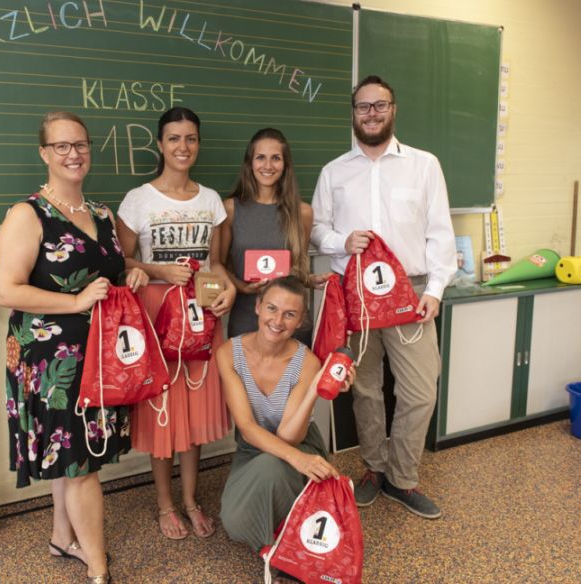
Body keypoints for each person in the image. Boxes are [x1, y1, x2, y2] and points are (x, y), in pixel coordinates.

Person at [0, 111, 149, 583]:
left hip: (99, 354)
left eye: (80, 144)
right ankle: (99, 567)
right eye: (61, 146)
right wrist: (76, 300)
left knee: (71, 456)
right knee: (79, 463)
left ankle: (63, 537)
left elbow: (119, 268)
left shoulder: (102, 213)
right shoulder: (27, 214)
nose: (73, 154)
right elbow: (7, 289)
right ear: (44, 153)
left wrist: (135, 272)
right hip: (50, 363)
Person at [311, 75, 456, 519]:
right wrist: (340, 241)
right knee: (367, 389)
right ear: (353, 114)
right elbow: (317, 229)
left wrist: (434, 290)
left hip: (409, 294)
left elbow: (440, 233)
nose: (371, 114)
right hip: (355, 296)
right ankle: (374, 470)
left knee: (419, 391)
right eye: (362, 107)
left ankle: (402, 478)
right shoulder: (334, 171)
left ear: (394, 109)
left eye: (379, 106)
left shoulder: (424, 165)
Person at [116, 107, 236, 540]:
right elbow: (122, 261)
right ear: (160, 144)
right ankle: (165, 505)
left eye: (190, 139)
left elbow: (217, 264)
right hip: (156, 317)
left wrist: (230, 292)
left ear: (198, 144)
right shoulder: (138, 199)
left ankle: (190, 500)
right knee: (162, 413)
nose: (182, 147)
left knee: (195, 412)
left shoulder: (210, 201)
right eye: (173, 139)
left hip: (201, 318)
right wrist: (160, 271)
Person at [217, 276, 353, 556]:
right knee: (234, 522)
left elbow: (289, 437)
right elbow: (246, 427)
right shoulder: (229, 353)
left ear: (301, 320)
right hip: (253, 448)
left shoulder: (307, 363)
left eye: (289, 314)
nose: (278, 321)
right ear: (258, 306)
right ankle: (287, 530)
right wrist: (298, 460)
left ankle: (283, 547)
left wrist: (314, 389)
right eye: (272, 309)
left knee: (272, 470)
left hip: (300, 445)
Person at [221, 128, 328, 346]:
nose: (268, 166)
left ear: (286, 165)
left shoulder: (303, 213)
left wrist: (308, 278)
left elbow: (296, 267)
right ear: (250, 163)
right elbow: (219, 265)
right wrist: (242, 287)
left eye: (276, 158)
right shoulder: (230, 209)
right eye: (260, 158)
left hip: (291, 321)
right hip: (246, 314)